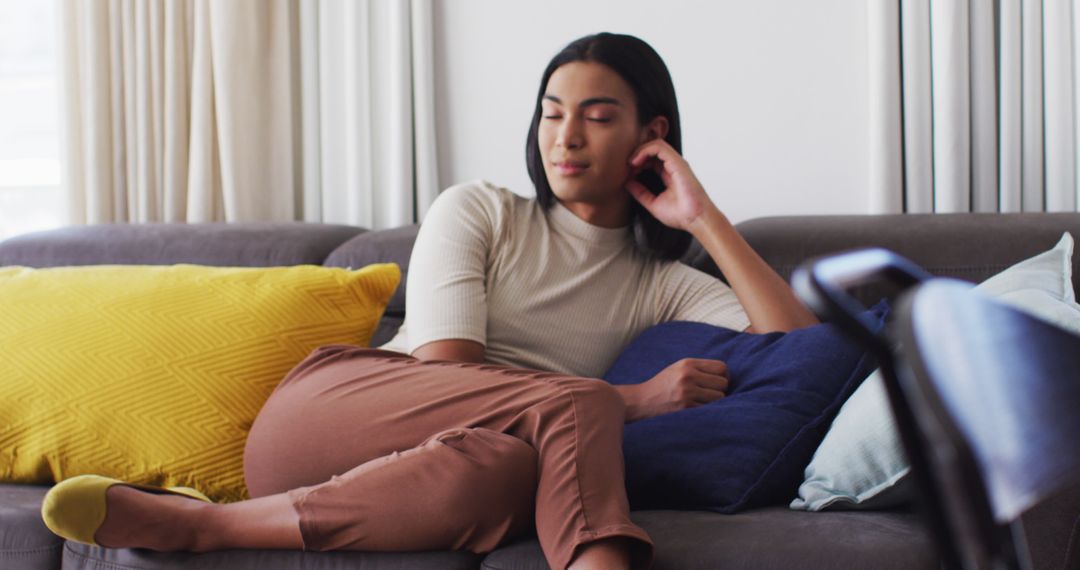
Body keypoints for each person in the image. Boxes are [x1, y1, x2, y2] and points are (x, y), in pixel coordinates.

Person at [40, 32, 818, 570]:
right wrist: (628, 402)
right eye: (552, 111)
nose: (564, 137)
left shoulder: (662, 282)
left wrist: (702, 218)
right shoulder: (481, 210)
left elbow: (801, 347)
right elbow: (446, 368)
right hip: (335, 413)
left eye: (597, 115)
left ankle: (204, 528)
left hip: (455, 470)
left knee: (508, 471)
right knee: (578, 408)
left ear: (653, 135)